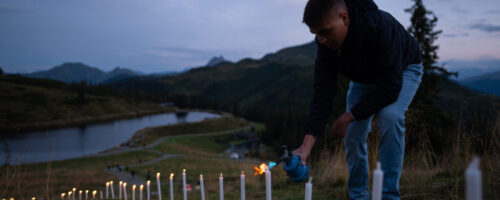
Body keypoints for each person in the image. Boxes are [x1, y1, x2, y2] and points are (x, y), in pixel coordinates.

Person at [292, 0, 423, 199]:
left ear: (344, 18)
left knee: (390, 117)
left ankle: (388, 195)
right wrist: (306, 146)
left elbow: (390, 87)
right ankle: (359, 195)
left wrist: (349, 116)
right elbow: (323, 92)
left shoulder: (380, 27)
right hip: (364, 78)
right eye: (316, 34)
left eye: (325, 31)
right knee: (354, 132)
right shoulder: (326, 42)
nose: (321, 40)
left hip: (403, 70)